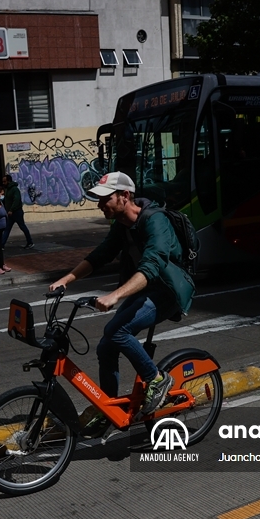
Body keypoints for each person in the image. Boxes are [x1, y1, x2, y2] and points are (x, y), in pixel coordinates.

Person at [49, 172, 195, 437]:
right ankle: (109, 409)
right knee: (106, 345)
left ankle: (157, 380)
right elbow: (101, 255)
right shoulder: (121, 224)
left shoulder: (156, 221)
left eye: (105, 199)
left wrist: (115, 296)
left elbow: (153, 264)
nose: (100, 205)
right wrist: (67, 279)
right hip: (147, 288)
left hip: (168, 292)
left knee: (117, 331)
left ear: (124, 196)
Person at [1, 173, 33, 248]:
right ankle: (1, 245)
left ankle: (30, 242)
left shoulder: (15, 189)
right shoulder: (7, 190)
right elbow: (6, 199)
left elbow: (16, 200)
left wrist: (11, 209)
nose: (3, 183)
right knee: (7, 229)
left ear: (8, 181)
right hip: (10, 213)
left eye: (4, 181)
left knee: (22, 227)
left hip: (16, 212)